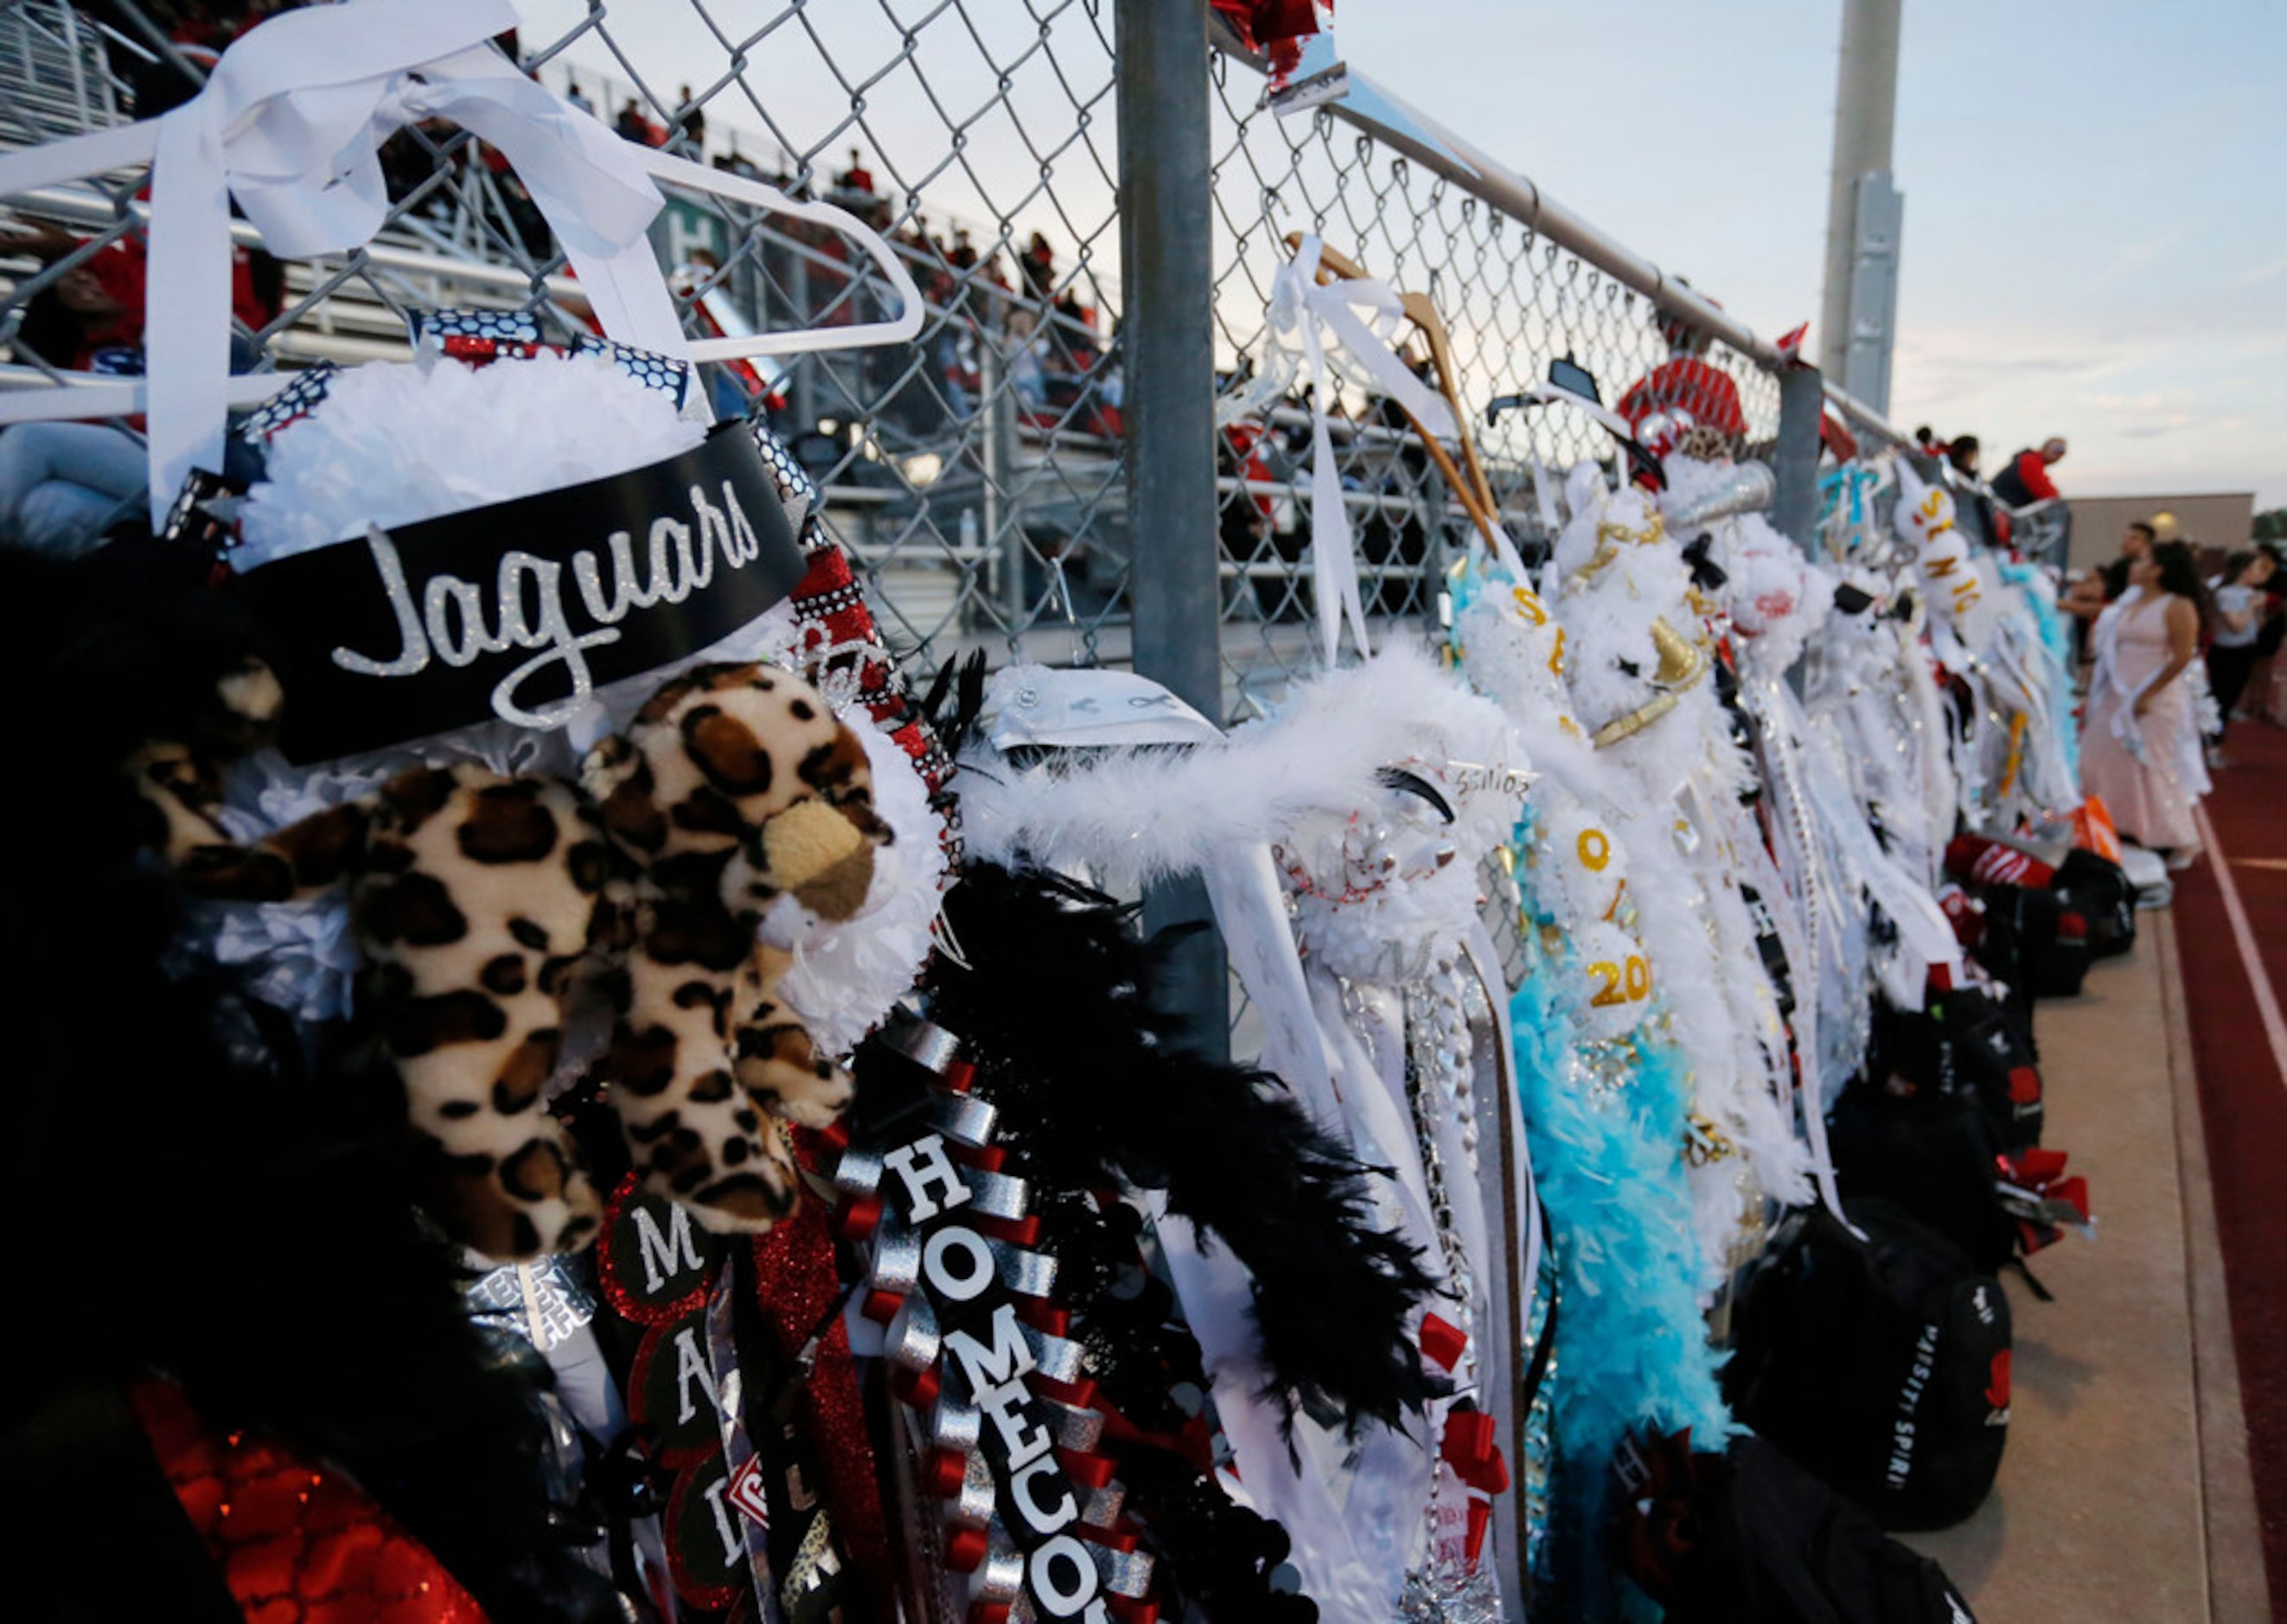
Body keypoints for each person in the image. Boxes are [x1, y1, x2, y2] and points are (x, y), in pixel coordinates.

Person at [2082, 539, 2211, 866]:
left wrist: (2149, 695)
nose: (2134, 567)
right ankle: (2113, 823)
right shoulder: (2131, 603)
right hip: (2116, 694)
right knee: (2099, 757)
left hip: (2152, 699)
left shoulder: (2178, 605)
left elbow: (2183, 656)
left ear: (2159, 569)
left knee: (2149, 764)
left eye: (2143, 561)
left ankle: (2181, 839)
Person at [2205, 549, 2274, 758]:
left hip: (2244, 650)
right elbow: (2236, 625)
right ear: (2244, 571)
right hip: (2228, 652)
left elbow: (2255, 627)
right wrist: (2252, 606)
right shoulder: (2226, 593)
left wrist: (2259, 609)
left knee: (2229, 698)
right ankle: (2211, 746)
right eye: (2256, 569)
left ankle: (2214, 744)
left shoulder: (2249, 594)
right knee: (2221, 700)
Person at [1990, 436, 2067, 508]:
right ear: (2044, 447)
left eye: (2062, 452)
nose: (2058, 454)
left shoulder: (2031, 462)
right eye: (2056, 448)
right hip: (1997, 511)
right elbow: (2047, 494)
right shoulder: (2030, 462)